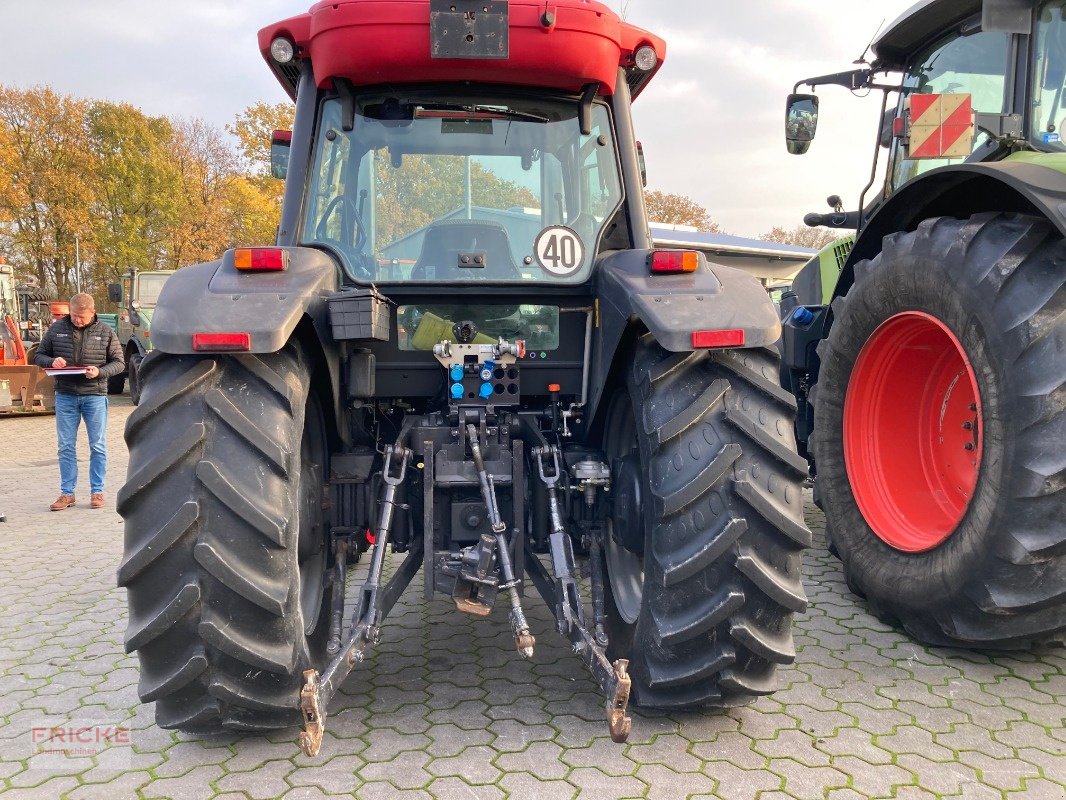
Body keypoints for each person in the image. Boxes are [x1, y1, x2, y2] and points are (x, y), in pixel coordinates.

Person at [34, 293, 125, 511]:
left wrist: (100, 372)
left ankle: (97, 492)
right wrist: (51, 361)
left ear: (93, 312)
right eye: (74, 316)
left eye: (82, 317)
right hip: (65, 395)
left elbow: (119, 363)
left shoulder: (105, 332)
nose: (77, 320)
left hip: (94, 395)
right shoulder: (57, 329)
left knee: (98, 445)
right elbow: (39, 355)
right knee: (65, 446)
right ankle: (67, 493)